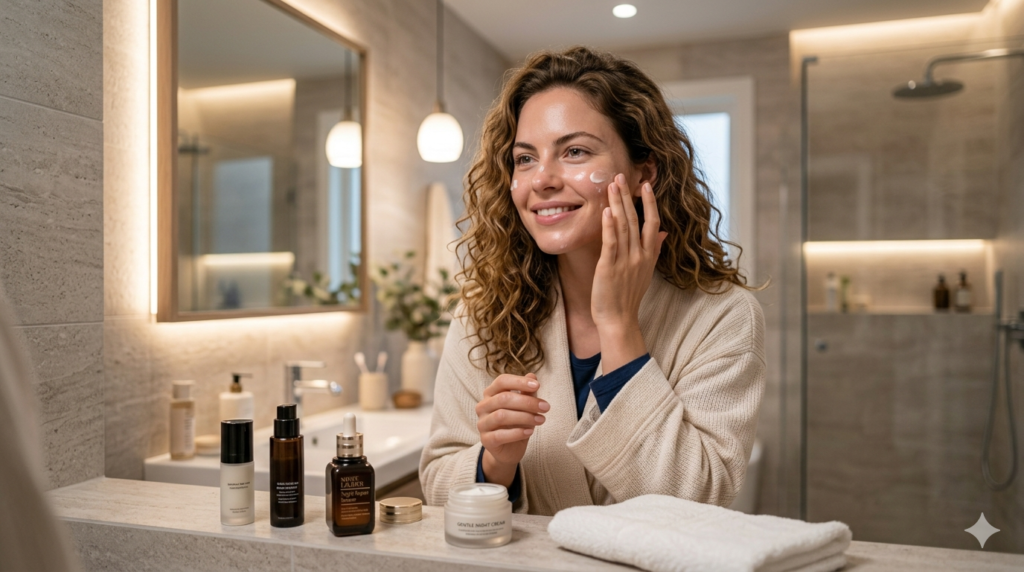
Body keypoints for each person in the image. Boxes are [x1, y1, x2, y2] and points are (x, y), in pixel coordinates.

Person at [419, 46, 765, 516]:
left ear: (644, 170)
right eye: (524, 159)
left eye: (575, 151)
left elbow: (698, 500)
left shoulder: (721, 316)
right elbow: (438, 482)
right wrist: (495, 462)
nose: (541, 179)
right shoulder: (483, 313)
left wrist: (620, 327)